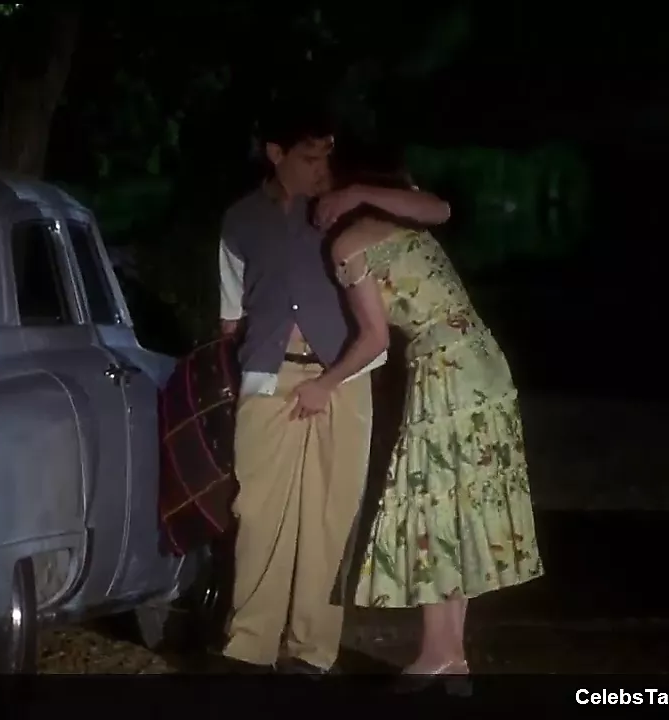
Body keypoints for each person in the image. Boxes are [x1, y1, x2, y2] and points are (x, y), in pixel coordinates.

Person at [216, 101, 451, 674]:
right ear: (276, 154)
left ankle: (311, 649)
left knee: (329, 515)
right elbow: (228, 317)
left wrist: (359, 195)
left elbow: (435, 210)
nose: (321, 168)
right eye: (309, 157)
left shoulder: (347, 207)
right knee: (259, 513)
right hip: (269, 374)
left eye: (327, 156)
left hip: (344, 377)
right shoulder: (240, 220)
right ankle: (249, 645)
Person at [318, 148, 543, 690]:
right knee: (460, 500)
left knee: (433, 498)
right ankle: (449, 652)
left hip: (445, 369)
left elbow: (373, 338)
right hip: (482, 359)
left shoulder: (351, 243)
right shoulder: (407, 222)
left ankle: (439, 651)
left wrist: (324, 384)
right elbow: (438, 208)